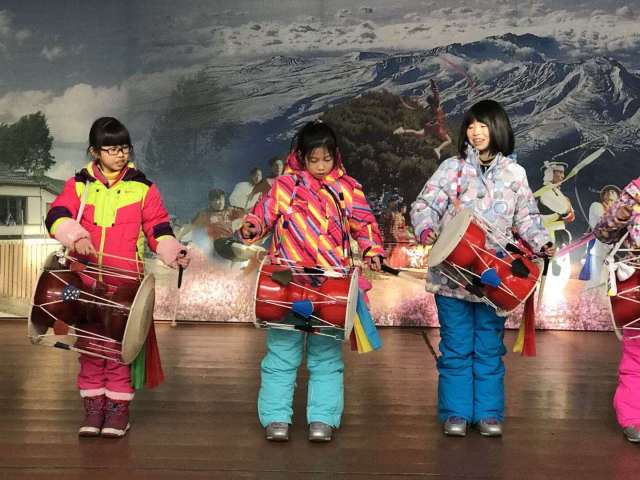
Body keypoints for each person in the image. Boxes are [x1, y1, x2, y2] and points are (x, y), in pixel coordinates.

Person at [410, 100, 554, 438]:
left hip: (496, 278)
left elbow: (528, 218)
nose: (476, 132)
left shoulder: (515, 174)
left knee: (489, 347)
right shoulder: (452, 168)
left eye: (483, 125)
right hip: (452, 277)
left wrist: (542, 242)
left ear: (498, 128)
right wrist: (427, 229)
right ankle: (456, 412)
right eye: (471, 125)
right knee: (456, 346)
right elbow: (424, 205)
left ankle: (488, 412)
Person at [239, 121, 385, 442]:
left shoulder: (348, 188)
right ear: (300, 157)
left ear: (336, 156)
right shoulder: (284, 187)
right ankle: (276, 417)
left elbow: (364, 224)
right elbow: (262, 215)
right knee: (281, 353)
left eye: (326, 159)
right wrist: (252, 226)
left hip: (330, 285)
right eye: (313, 160)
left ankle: (323, 418)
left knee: (326, 356)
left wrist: (373, 249)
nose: (320, 166)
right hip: (286, 281)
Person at [45, 117, 190, 438]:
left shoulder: (143, 187)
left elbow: (158, 227)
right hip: (84, 282)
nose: (120, 154)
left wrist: (173, 251)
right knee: (90, 347)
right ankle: (93, 409)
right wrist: (74, 236)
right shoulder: (79, 185)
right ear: (94, 152)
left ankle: (117, 412)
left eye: (124, 148)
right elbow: (56, 215)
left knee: (118, 348)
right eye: (111, 149)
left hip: (125, 283)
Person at [592, 177, 640, 443]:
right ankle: (633, 417)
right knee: (637, 356)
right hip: (637, 285)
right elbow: (602, 232)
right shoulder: (636, 190)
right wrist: (617, 217)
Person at [394, 79, 452, 160]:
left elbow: (435, 93)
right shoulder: (437, 104)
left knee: (418, 133)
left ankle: (402, 130)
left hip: (431, 125)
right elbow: (436, 92)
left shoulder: (430, 108)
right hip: (436, 126)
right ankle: (438, 149)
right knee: (449, 140)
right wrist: (433, 84)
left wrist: (432, 85)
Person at [536, 161, 575, 276]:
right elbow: (565, 210)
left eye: (563, 173)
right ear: (550, 173)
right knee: (545, 274)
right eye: (560, 173)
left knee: (560, 273)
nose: (563, 176)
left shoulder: (556, 191)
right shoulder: (546, 192)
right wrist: (567, 206)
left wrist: (567, 210)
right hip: (548, 238)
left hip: (559, 237)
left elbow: (571, 216)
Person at [580, 185, 621, 285]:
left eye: (613, 192)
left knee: (606, 278)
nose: (610, 192)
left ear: (617, 198)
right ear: (603, 196)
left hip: (609, 248)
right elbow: (605, 221)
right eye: (607, 191)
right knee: (595, 278)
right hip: (597, 245)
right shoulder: (596, 206)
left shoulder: (616, 211)